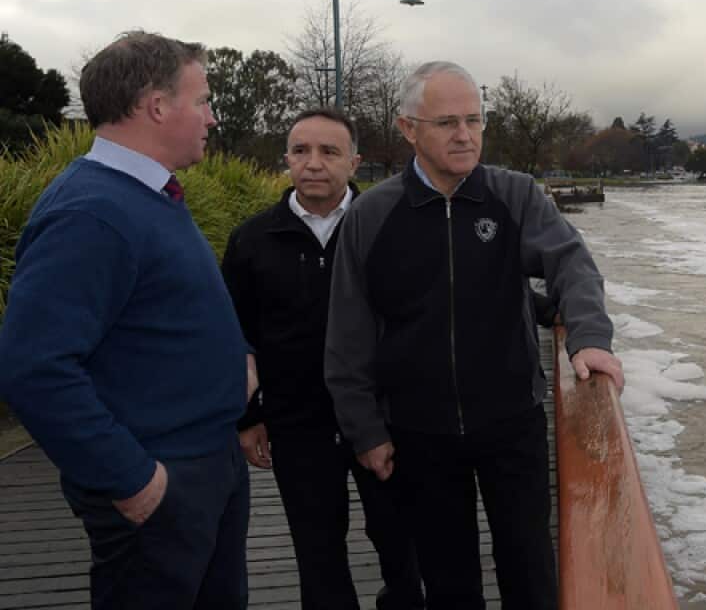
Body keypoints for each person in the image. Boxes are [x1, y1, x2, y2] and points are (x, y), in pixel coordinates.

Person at [325, 61, 624, 609]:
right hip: (419, 431)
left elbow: (571, 263)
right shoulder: (372, 215)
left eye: (474, 120)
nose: (465, 135)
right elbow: (348, 331)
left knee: (530, 572)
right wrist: (364, 429)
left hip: (512, 420)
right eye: (447, 123)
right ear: (408, 129)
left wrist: (589, 337)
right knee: (449, 583)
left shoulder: (514, 195)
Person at [0, 30, 256, 609]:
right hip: (160, 484)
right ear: (157, 106)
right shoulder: (90, 213)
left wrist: (236, 358)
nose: (212, 117)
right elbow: (33, 368)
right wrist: (133, 482)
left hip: (207, 464)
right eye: (202, 100)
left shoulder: (149, 195)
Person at [221, 107, 424, 610]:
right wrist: (248, 417)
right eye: (301, 150)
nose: (313, 163)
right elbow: (234, 336)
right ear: (286, 159)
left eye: (329, 151)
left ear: (353, 161)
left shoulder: (392, 227)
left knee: (401, 541)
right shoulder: (251, 240)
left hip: (384, 419)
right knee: (318, 555)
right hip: (297, 424)